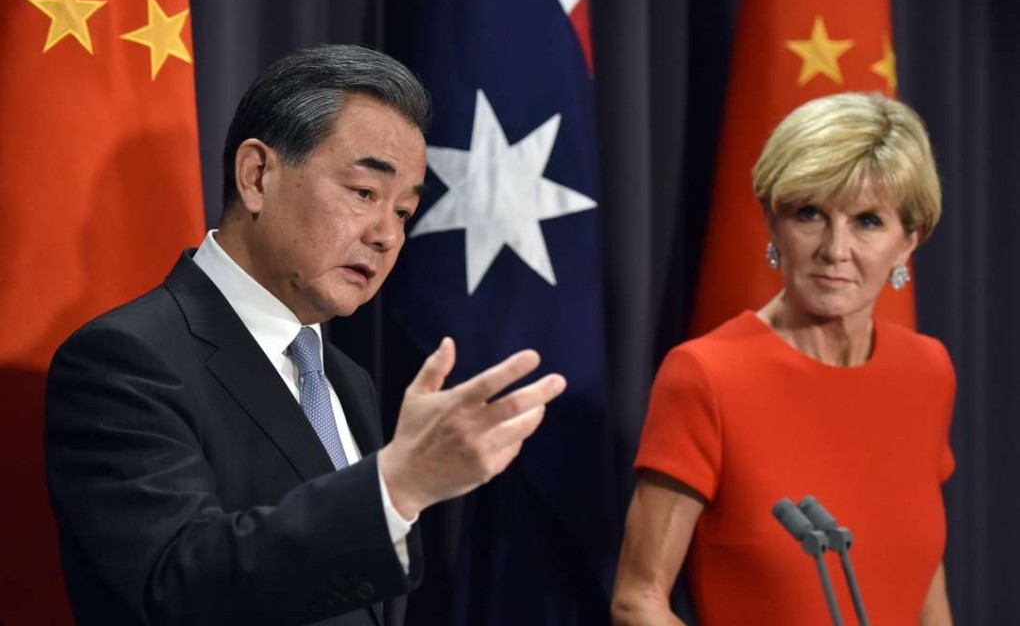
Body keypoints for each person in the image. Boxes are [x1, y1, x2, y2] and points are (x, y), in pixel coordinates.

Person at [44, 44, 566, 626]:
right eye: (364, 193)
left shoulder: (348, 380)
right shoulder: (126, 361)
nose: (387, 236)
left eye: (403, 212)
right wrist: (395, 486)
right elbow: (173, 585)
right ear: (257, 176)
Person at [611, 93, 955, 625]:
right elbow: (638, 601)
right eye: (810, 214)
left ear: (909, 241)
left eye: (867, 221)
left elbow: (924, 584)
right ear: (773, 221)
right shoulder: (707, 376)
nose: (835, 250)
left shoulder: (927, 371)